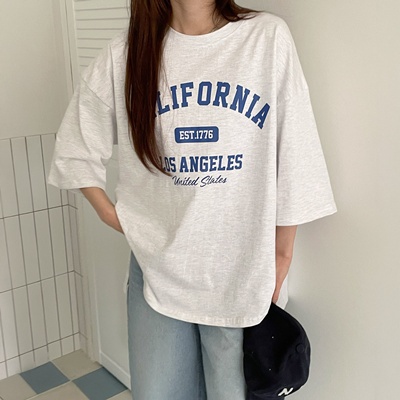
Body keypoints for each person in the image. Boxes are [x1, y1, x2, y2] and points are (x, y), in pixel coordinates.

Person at [47, 1, 337, 399]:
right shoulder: (127, 55)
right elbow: (75, 147)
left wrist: (282, 252)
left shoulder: (265, 38)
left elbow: (296, 149)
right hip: (157, 272)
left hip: (239, 271)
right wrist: (115, 216)